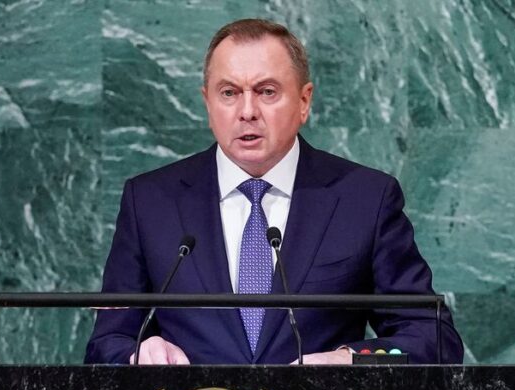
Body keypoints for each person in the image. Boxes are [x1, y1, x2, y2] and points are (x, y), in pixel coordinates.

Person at [84, 19, 464, 365]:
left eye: (266, 91)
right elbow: (106, 343)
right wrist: (138, 352)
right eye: (229, 93)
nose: (247, 111)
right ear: (207, 103)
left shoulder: (365, 199)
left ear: (304, 101)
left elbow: (433, 337)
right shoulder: (151, 201)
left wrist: (349, 360)